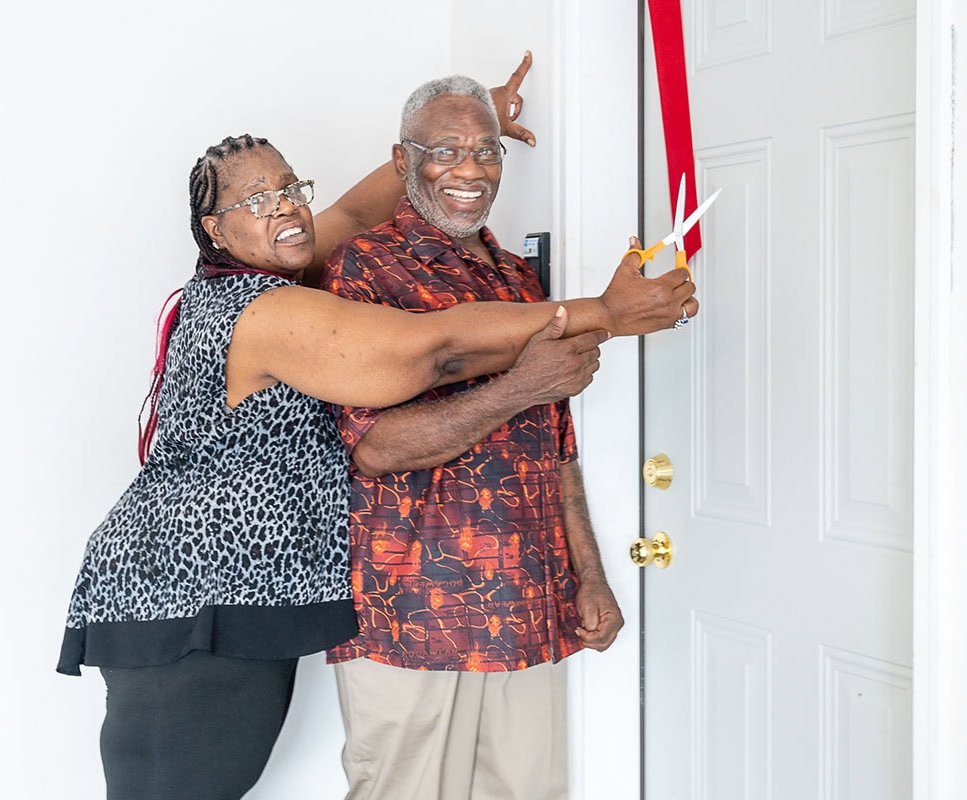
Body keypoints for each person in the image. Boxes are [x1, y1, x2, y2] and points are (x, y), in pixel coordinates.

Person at [56, 61, 696, 800]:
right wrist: (603, 314)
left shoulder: (278, 268)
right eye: (259, 200)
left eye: (292, 188)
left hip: (238, 597)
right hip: (186, 593)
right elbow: (434, 350)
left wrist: (464, 126)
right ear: (215, 229)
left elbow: (357, 214)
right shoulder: (262, 312)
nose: (287, 208)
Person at [322, 74, 698, 799]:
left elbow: (556, 451)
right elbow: (376, 447)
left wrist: (589, 574)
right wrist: (521, 384)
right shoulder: (362, 271)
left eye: (487, 150)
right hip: (410, 612)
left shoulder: (523, 283)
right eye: (446, 150)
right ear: (402, 163)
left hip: (525, 606)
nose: (471, 169)